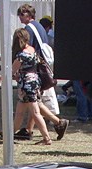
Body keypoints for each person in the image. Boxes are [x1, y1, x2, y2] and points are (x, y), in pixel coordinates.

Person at [14, 4, 68, 141]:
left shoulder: (28, 29)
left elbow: (27, 49)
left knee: (35, 104)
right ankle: (29, 129)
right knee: (35, 103)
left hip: (33, 71)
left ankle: (56, 123)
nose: (20, 16)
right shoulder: (39, 26)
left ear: (28, 14)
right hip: (40, 69)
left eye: (22, 14)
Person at [10, 28, 52, 145]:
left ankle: (47, 138)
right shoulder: (32, 50)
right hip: (34, 82)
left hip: (26, 85)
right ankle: (10, 134)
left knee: (35, 113)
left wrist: (0, 78)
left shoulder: (21, 55)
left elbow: (13, 69)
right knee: (20, 111)